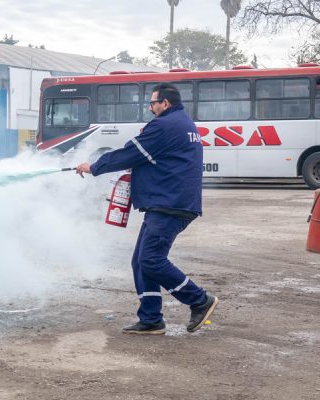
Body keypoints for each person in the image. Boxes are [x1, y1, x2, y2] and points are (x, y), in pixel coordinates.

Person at [75, 83, 218, 335]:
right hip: (169, 201)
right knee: (141, 261)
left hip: (170, 202)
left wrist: (94, 166)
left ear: (165, 103)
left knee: (151, 259)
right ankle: (151, 318)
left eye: (153, 103)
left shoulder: (164, 126)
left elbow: (130, 153)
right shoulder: (182, 123)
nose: (150, 107)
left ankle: (199, 300)